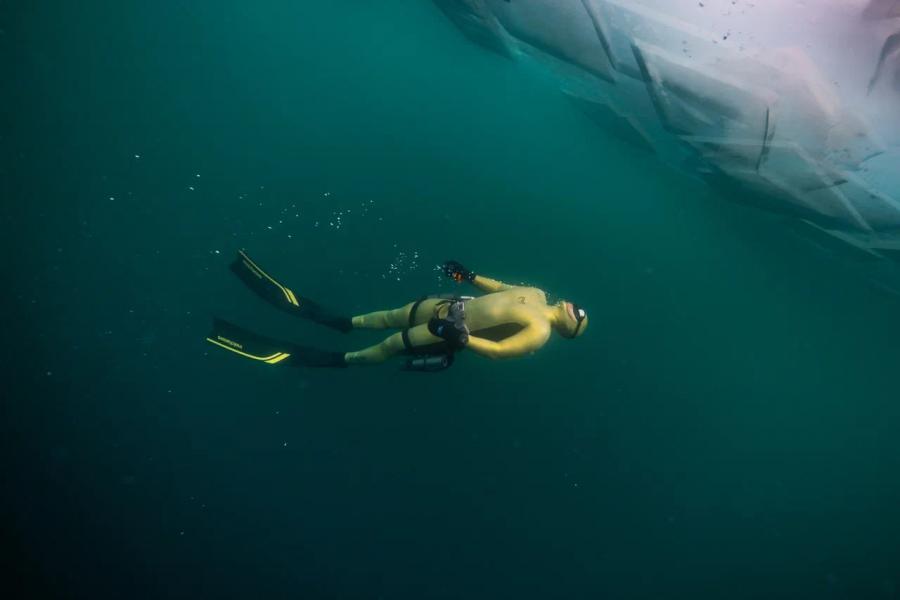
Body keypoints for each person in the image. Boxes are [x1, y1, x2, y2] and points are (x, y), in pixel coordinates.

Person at [206, 250, 588, 371]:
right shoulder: (537, 293)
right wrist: (470, 277)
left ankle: (341, 358)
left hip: (450, 329)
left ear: (568, 329)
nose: (576, 309)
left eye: (578, 317)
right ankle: (341, 323)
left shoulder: (540, 332)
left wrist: (462, 339)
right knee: (390, 316)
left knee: (391, 344)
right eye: (579, 309)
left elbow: (501, 351)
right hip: (448, 306)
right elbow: (501, 288)